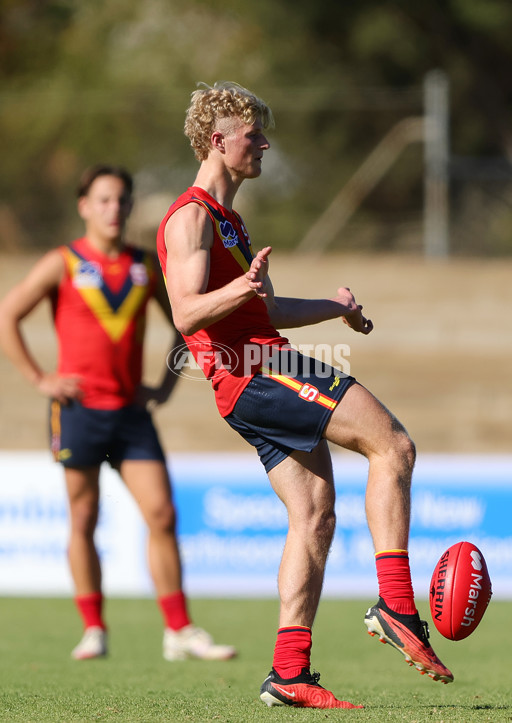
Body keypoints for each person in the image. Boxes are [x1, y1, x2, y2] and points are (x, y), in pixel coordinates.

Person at [157, 82, 453, 709]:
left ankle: (288, 673)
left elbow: (265, 306)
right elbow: (186, 314)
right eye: (252, 135)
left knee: (314, 512)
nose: (263, 143)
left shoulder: (228, 219)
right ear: (218, 141)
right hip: (254, 370)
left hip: (250, 371)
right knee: (393, 446)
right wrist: (243, 294)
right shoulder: (190, 215)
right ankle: (398, 605)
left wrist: (333, 307)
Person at [0, 163, 236, 663]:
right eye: (102, 200)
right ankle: (94, 628)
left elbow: (186, 323)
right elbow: (3, 319)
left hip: (131, 415)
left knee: (162, 514)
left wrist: (164, 385)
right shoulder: (62, 262)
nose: (113, 209)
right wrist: (42, 380)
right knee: (83, 517)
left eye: (121, 200)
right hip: (78, 411)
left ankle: (178, 630)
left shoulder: (145, 265)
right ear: (84, 207)